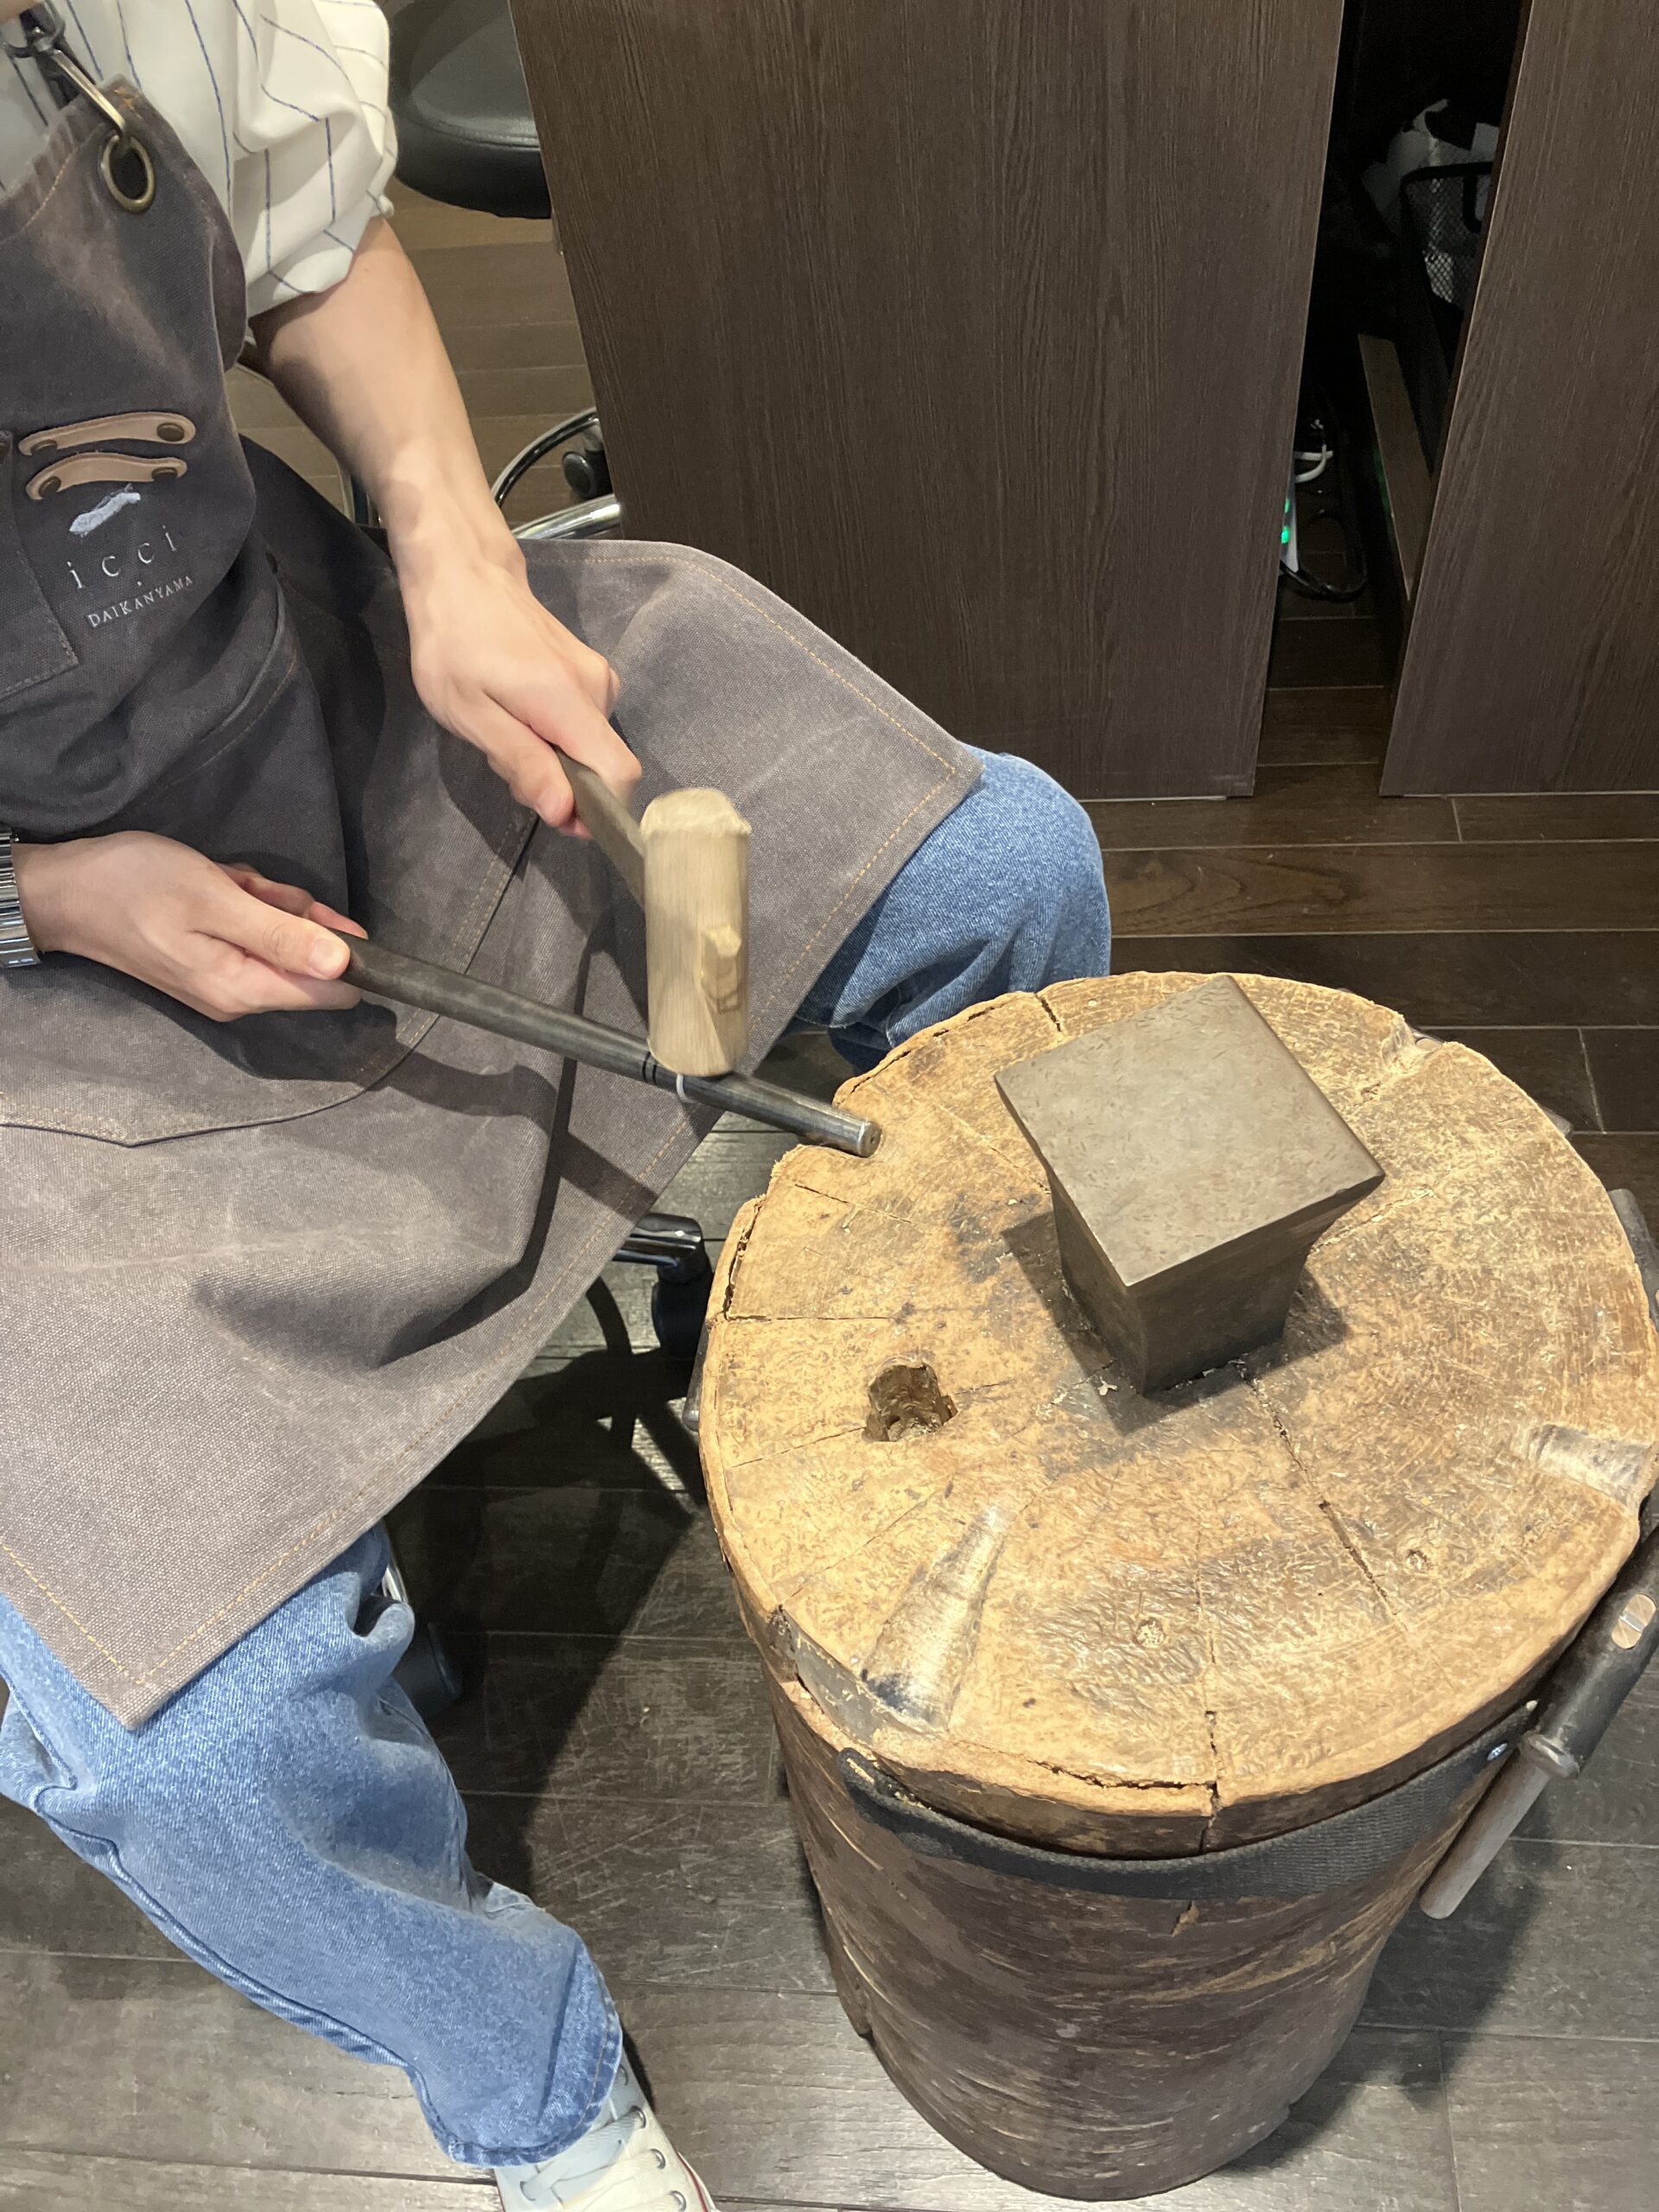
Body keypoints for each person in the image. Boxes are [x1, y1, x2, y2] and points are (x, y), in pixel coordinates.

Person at [0, 5, 1111, 2207]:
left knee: (1008, 866)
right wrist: (45, 895)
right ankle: (538, 2097)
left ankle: (964, 1440)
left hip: (318, 693)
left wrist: (453, 554)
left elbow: (313, 248)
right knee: (190, 1749)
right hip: (48, 1001)